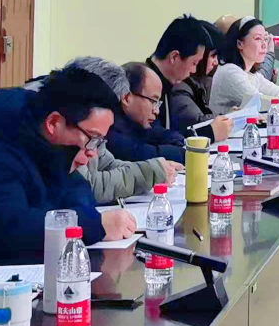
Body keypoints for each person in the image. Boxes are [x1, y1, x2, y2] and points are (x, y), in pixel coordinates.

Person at [0, 64, 138, 273]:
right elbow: (9, 231)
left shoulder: (48, 143)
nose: (93, 153)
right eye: (92, 139)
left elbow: (77, 189)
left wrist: (86, 220)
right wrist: (92, 225)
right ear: (54, 123)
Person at [57, 58, 178, 202]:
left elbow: (107, 164)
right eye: (153, 101)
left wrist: (154, 170)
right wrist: (151, 171)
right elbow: (87, 187)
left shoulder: (99, 123)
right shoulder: (67, 127)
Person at [143, 16, 219, 134]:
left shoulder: (165, 83)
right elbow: (152, 137)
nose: (194, 70)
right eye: (194, 63)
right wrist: (210, 133)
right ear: (174, 57)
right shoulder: (143, 85)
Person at [114, 63, 193, 162]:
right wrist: (186, 153)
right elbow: (140, 153)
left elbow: (157, 132)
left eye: (158, 103)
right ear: (126, 98)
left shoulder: (137, 121)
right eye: (153, 101)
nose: (156, 111)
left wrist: (183, 141)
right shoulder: (109, 127)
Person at [211, 18, 279, 114]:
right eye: (258, 39)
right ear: (240, 44)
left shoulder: (252, 75)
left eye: (265, 39)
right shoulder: (230, 71)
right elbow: (261, 102)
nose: (264, 45)